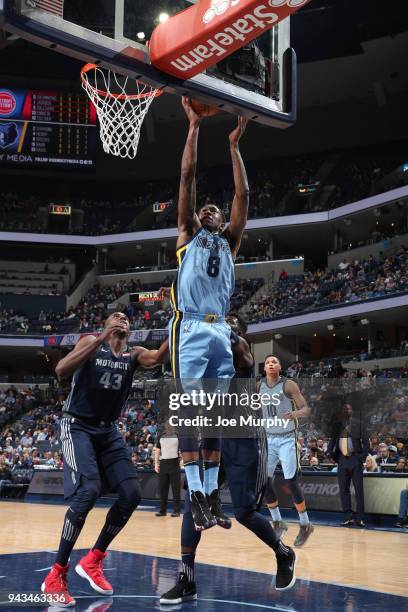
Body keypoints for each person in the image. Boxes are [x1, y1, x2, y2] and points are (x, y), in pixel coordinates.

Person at [160, 314, 296, 604]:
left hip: (245, 440)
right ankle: (188, 579)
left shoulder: (241, 351)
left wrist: (223, 331)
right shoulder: (206, 362)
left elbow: (242, 351)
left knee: (245, 512)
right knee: (191, 506)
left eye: (229, 322)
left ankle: (283, 553)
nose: (223, 324)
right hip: (216, 438)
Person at [41, 312, 168, 606]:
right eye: (116, 316)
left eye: (126, 318)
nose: (123, 319)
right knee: (89, 491)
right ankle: (56, 574)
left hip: (108, 431)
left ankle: (93, 560)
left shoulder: (133, 354)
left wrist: (179, 324)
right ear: (107, 325)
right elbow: (61, 369)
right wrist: (100, 336)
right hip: (77, 425)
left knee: (132, 493)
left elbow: (158, 358)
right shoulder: (91, 343)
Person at [170, 97, 249, 531]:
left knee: (216, 417)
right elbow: (187, 178)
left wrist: (234, 145)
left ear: (221, 220)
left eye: (213, 210)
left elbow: (243, 194)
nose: (207, 211)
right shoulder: (187, 235)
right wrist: (194, 128)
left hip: (222, 331)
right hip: (192, 327)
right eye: (204, 209)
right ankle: (197, 496)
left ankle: (212, 496)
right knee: (189, 414)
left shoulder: (232, 242)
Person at [260, 355, 315, 547]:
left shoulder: (288, 385)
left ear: (280, 366)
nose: (271, 364)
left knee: (290, 482)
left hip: (286, 438)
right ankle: (278, 521)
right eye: (268, 362)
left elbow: (306, 409)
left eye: (274, 361)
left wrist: (294, 414)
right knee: (263, 481)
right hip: (268, 438)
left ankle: (305, 524)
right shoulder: (259, 386)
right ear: (264, 367)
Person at [327, 402, 369, 527]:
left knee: (358, 490)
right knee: (343, 491)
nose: (346, 411)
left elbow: (366, 442)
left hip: (355, 459)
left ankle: (360, 518)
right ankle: (348, 517)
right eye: (344, 409)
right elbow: (333, 440)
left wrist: (362, 457)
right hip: (342, 460)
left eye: (349, 409)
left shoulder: (359, 424)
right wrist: (330, 452)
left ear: (352, 411)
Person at [154, 423, 181, 517]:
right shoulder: (161, 436)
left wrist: (181, 461)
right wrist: (156, 464)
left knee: (176, 489)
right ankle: (162, 511)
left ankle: (177, 511)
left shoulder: (178, 435)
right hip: (163, 464)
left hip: (174, 464)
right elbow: (157, 450)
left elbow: (182, 450)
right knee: (163, 489)